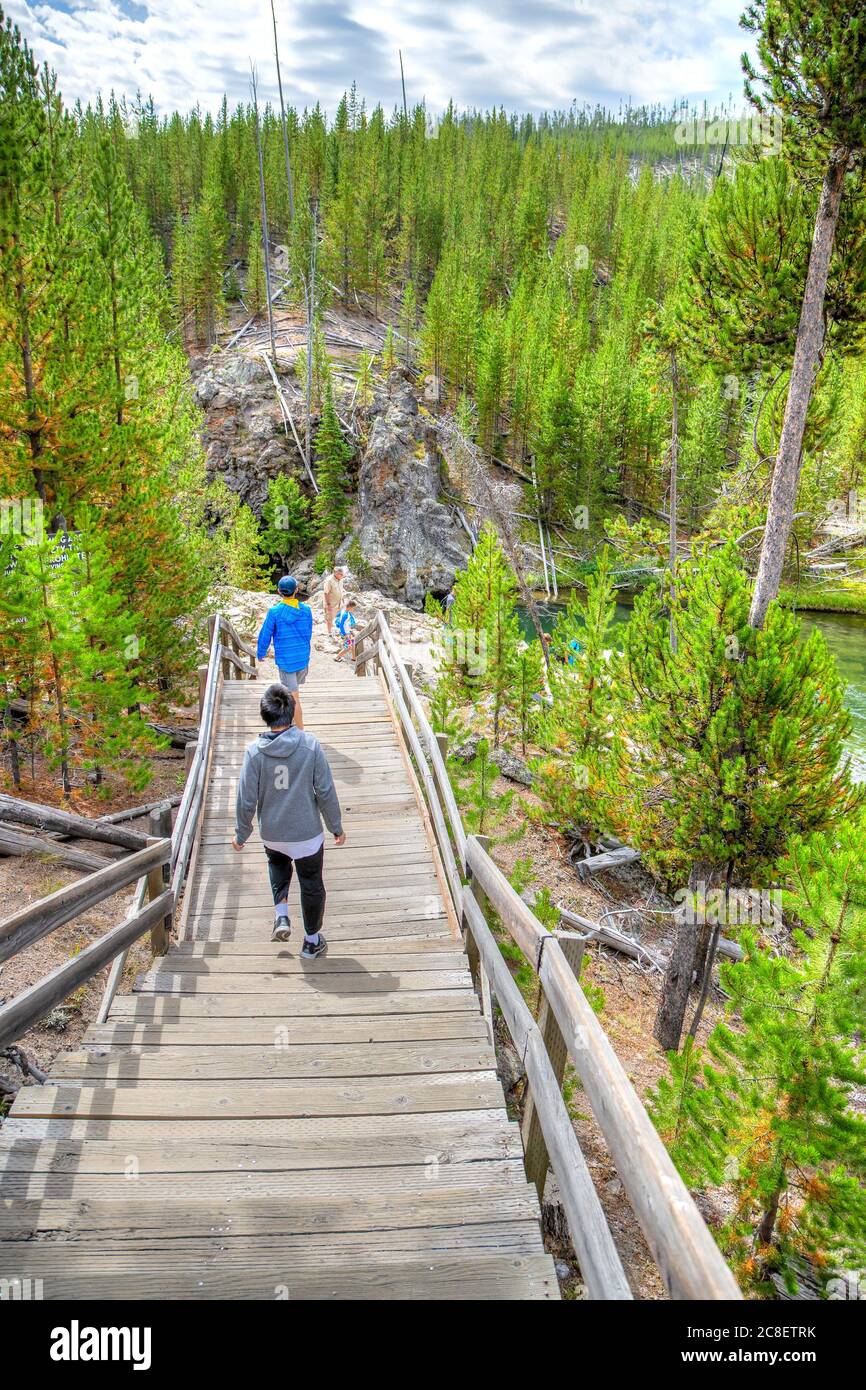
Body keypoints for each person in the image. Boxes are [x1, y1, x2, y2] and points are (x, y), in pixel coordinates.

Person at [232, 682, 345, 957]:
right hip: (307, 833)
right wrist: (336, 827)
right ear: (292, 712)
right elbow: (326, 790)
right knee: (311, 883)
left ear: (265, 715)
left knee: (277, 861)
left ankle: (281, 914)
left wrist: (241, 833)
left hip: (272, 832)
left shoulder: (254, 753)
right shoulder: (310, 746)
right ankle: (311, 941)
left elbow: (246, 799)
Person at [256, 576, 313, 730]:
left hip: (287, 661)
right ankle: (292, 723)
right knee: (293, 692)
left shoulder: (275, 612)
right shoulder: (306, 610)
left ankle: (300, 732)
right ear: (296, 590)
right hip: (302, 658)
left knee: (294, 698)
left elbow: (265, 633)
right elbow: (308, 632)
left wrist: (261, 652)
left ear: (279, 591)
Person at [322, 565, 345, 644]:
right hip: (331, 603)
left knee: (339, 616)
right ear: (335, 573)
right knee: (329, 618)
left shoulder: (340, 579)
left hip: (339, 603)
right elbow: (326, 592)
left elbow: (341, 590)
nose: (342, 576)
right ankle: (329, 634)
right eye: (340, 574)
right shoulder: (329, 580)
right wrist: (328, 605)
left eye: (342, 574)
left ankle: (337, 630)